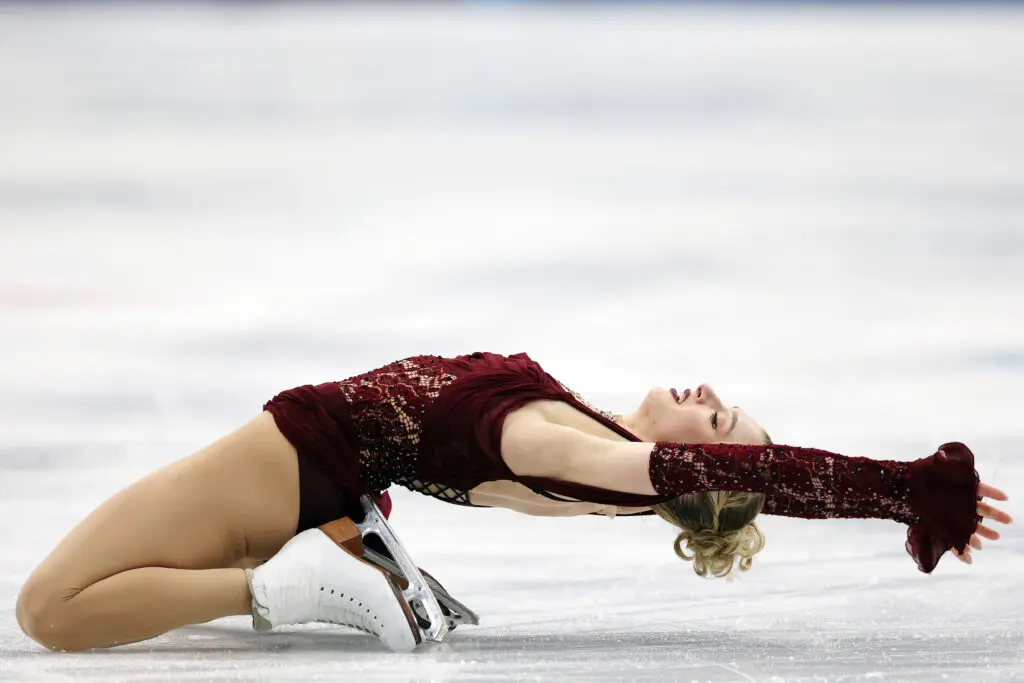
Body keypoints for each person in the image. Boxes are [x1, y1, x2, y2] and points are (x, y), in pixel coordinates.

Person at [15, 351, 1011, 653]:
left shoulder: (585, 454)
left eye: (716, 421)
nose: (710, 393)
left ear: (690, 465)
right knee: (141, 578)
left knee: (51, 609)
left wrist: (902, 489)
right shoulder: (594, 444)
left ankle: (302, 580)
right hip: (324, 474)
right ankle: (341, 549)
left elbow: (752, 477)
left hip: (293, 454)